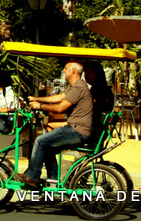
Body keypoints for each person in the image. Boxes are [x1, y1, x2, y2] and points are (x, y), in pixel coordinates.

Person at [14, 59, 93, 188]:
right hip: (76, 128)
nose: (63, 71)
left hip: (77, 130)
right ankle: (54, 180)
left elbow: (60, 108)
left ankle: (32, 176)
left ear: (73, 71)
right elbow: (58, 97)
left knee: (41, 141)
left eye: (65, 68)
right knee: (47, 148)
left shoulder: (78, 88)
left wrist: (40, 106)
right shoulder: (75, 87)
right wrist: (36, 99)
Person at [84, 60, 115, 141]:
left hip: (94, 132)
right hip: (101, 131)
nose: (86, 75)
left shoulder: (99, 91)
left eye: (89, 72)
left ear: (97, 74)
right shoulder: (103, 89)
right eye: (85, 72)